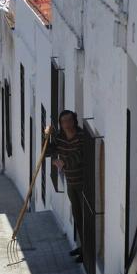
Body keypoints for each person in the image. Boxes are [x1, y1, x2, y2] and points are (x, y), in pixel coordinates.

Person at [45, 110, 85, 263]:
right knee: (77, 216)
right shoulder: (60, 139)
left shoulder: (81, 136)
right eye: (63, 122)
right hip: (71, 183)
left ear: (74, 121)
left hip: (83, 183)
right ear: (61, 124)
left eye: (69, 121)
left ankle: (86, 252)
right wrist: (47, 136)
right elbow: (48, 151)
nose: (67, 124)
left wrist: (65, 163)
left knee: (84, 218)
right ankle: (81, 247)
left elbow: (81, 155)